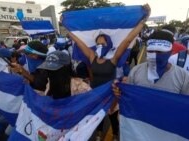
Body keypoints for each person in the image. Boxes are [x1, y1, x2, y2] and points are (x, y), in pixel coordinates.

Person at [64, 4, 151, 141]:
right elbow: (79, 42)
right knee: (97, 117)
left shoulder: (114, 59)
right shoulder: (92, 56)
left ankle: (116, 136)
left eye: (102, 44)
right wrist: (67, 27)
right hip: (95, 92)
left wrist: (143, 21)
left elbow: (128, 39)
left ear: (109, 45)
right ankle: (98, 135)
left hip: (111, 94)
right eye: (97, 44)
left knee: (112, 118)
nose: (100, 47)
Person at [113, 30, 189, 97]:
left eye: (160, 51)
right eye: (151, 51)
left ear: (170, 52)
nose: (154, 55)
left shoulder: (184, 77)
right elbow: (129, 96)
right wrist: (120, 91)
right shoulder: (135, 71)